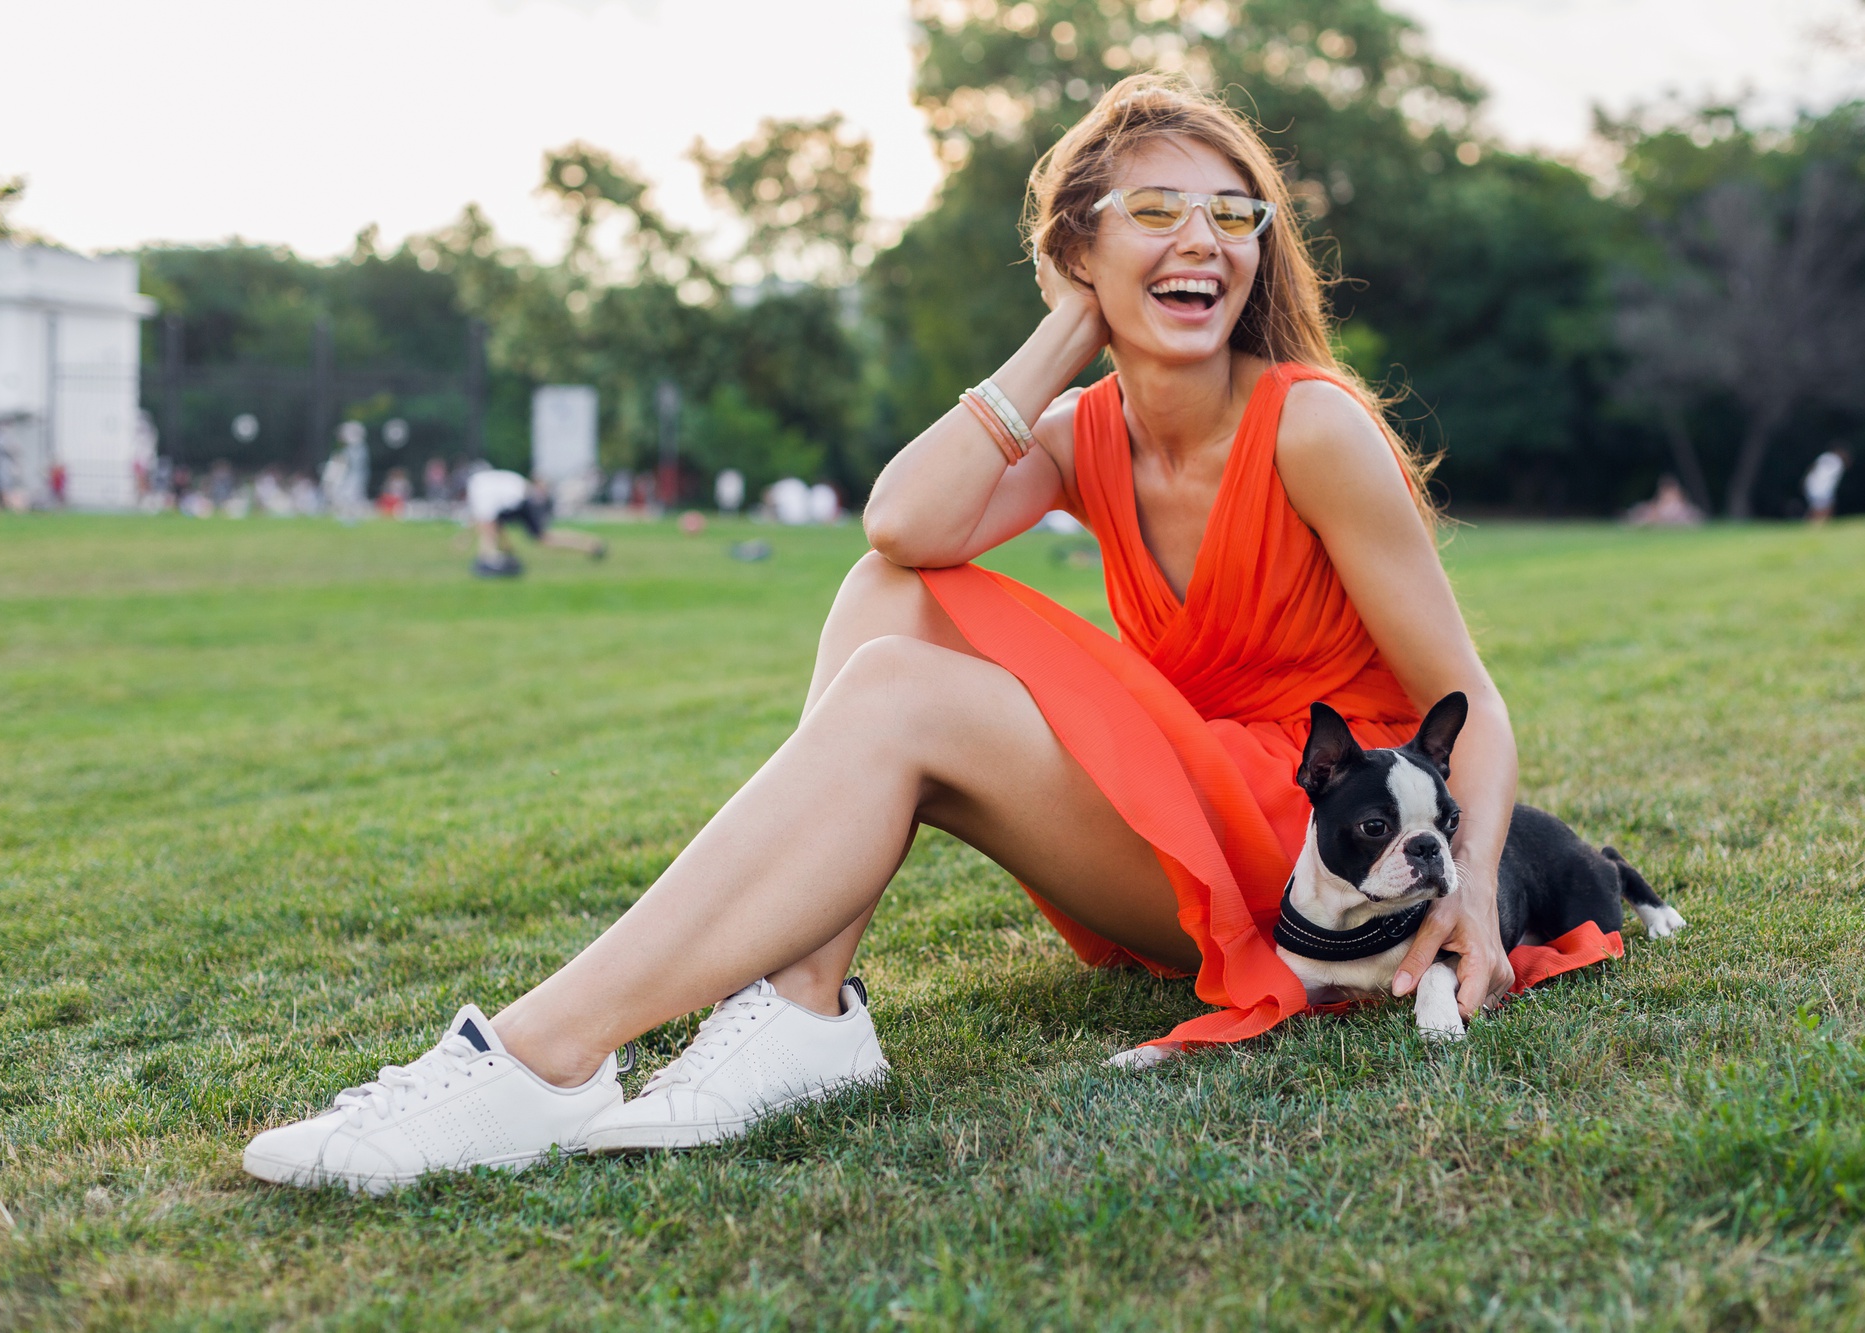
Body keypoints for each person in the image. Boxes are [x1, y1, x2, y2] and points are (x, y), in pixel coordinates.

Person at [243, 76, 1526, 1193]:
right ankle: (805, 1008)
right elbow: (903, 523)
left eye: (1231, 214)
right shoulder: (1087, 431)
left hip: (1322, 855)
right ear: (1076, 252)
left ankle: (539, 1057)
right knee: (885, 599)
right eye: (1153, 212)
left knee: (901, 689)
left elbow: (1462, 691)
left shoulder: (1309, 425)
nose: (1203, 240)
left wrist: (1463, 888)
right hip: (1189, 808)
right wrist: (1062, 337)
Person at [465, 466, 606, 577]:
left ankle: (591, 545)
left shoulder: (478, 491)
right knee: (498, 526)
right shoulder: (479, 483)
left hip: (525, 500)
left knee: (545, 539)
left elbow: (485, 524)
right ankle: (506, 555)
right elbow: (486, 520)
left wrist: (484, 553)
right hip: (521, 498)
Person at [1803, 447, 1849, 524]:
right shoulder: (1838, 462)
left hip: (1812, 485)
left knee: (1818, 508)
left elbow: (1812, 468)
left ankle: (1816, 524)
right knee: (1823, 509)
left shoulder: (1825, 457)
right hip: (1823, 488)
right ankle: (1817, 524)